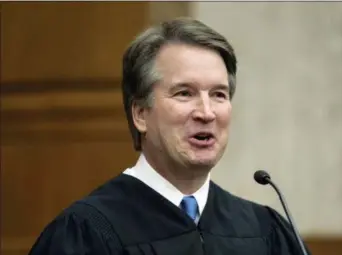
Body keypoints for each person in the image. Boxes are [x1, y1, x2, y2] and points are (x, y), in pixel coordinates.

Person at [29, 17, 309, 255]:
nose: (207, 112)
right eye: (184, 93)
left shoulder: (264, 230)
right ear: (140, 114)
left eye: (218, 94)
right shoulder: (86, 232)